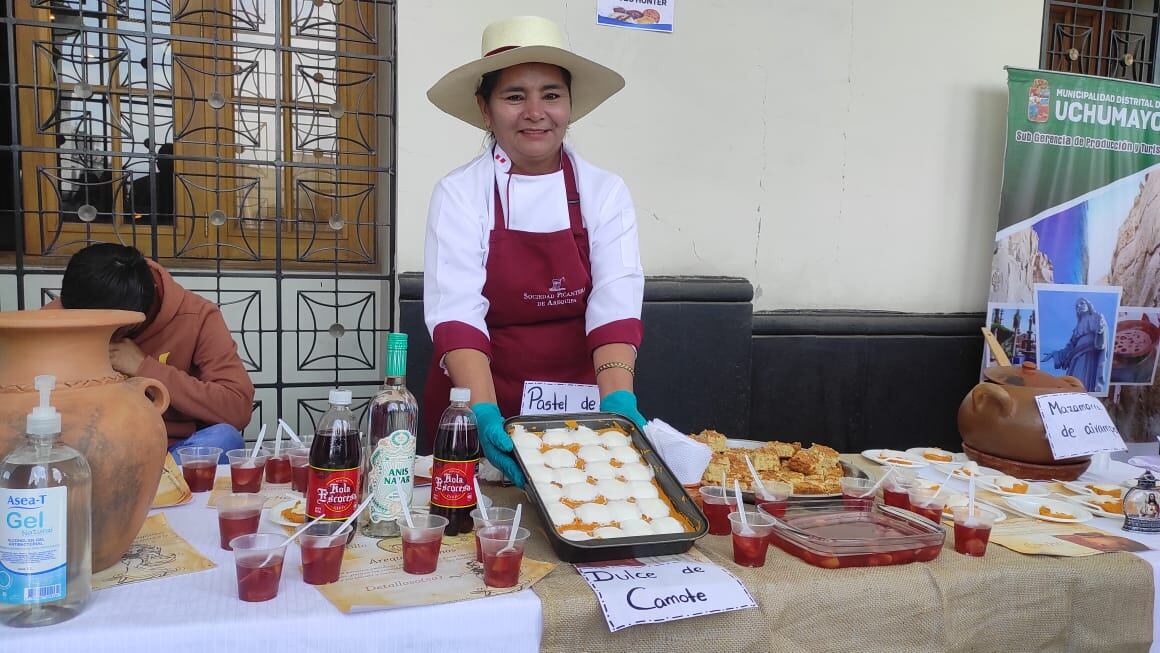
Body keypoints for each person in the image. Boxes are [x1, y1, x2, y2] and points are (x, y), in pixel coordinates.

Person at [422, 16, 646, 486]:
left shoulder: (605, 191)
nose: (535, 111)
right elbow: (457, 311)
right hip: (483, 388)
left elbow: (615, 301)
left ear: (569, 105)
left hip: (581, 398)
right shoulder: (460, 193)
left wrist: (618, 404)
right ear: (485, 109)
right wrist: (482, 415)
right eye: (514, 96)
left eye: (550, 94)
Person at [50, 243, 254, 461]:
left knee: (224, 439)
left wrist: (145, 368)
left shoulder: (197, 315)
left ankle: (153, 484)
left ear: (142, 314)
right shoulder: (68, 311)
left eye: (111, 330)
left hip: (168, 452)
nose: (102, 337)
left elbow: (237, 407)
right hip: (90, 450)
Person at [1045, 297, 1108, 394]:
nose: (1079, 306)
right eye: (1077, 306)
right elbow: (1070, 346)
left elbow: (1101, 343)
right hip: (1075, 357)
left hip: (1088, 356)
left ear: (1088, 305)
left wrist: (1100, 331)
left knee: (1083, 382)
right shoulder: (1077, 327)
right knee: (1073, 381)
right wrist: (1056, 354)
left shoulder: (1096, 318)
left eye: (1082, 303)